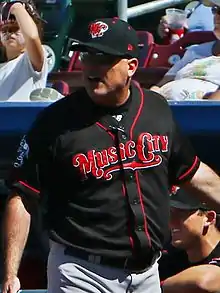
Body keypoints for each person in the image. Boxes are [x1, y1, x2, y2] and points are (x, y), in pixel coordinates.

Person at [2, 17, 220, 293]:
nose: (92, 68)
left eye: (104, 59)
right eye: (88, 56)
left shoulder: (156, 110)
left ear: (131, 66)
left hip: (146, 272)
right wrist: (11, 273)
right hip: (82, 271)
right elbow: (22, 195)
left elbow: (193, 172)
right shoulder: (54, 123)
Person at [151, 0, 220, 101]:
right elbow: (161, 84)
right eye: (215, 10)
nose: (216, 16)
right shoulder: (195, 51)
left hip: (201, 114)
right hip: (162, 110)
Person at [159, 187, 220, 292]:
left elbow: (205, 281)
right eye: (170, 213)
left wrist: (154, 288)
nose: (171, 222)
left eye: (181, 214)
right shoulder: (171, 256)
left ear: (209, 218)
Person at [0, 0, 48, 102]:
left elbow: (32, 37)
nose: (9, 33)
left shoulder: (30, 61)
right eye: (4, 29)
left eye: (15, 28)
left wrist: (16, 7)